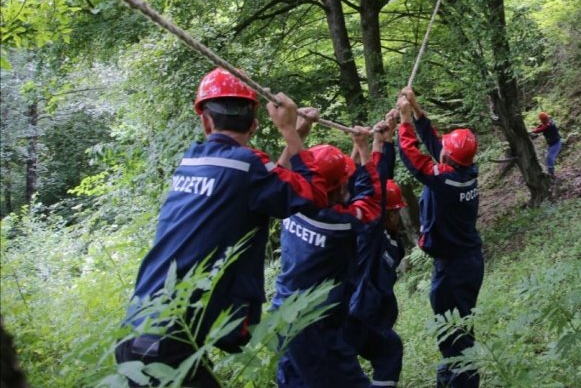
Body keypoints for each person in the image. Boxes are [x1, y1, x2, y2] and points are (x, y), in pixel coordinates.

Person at [115, 67, 328, 388]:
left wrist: (296, 134)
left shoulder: (194, 159)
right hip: (165, 344)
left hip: (145, 332)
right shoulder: (248, 168)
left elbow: (269, 185)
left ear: (205, 120)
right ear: (255, 123)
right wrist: (289, 131)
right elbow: (313, 195)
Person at [272, 123, 383, 388]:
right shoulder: (339, 225)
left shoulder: (291, 205)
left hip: (284, 317)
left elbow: (281, 174)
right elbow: (371, 202)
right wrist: (365, 150)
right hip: (315, 331)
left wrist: (298, 133)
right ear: (339, 185)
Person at [396, 87, 483, 388]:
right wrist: (417, 110)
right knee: (451, 326)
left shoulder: (445, 180)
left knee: (456, 329)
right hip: (463, 261)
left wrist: (404, 122)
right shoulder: (465, 170)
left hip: (456, 267)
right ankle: (450, 374)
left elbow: (412, 157)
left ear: (450, 157)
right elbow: (437, 147)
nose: (441, 149)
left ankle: (462, 380)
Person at [345, 111, 406, 388]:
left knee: (387, 352)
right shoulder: (369, 236)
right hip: (359, 316)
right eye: (392, 213)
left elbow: (380, 185)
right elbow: (373, 188)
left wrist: (384, 143)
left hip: (368, 316)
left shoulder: (393, 243)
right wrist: (368, 149)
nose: (395, 218)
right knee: (388, 352)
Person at [530, 111, 562, 177]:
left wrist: (532, 131)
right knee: (547, 156)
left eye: (544, 119)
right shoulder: (545, 123)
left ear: (546, 118)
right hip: (552, 144)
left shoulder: (549, 124)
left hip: (556, 143)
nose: (543, 121)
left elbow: (541, 129)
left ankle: (551, 173)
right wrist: (533, 130)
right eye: (542, 120)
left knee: (550, 157)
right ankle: (549, 171)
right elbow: (540, 127)